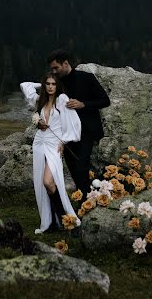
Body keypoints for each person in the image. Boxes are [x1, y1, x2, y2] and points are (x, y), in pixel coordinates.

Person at [20, 73, 81, 234]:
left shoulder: (62, 100)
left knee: (49, 182)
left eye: (54, 83)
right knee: (43, 183)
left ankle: (68, 221)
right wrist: (39, 123)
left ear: (58, 85)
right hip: (39, 143)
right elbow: (25, 84)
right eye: (47, 83)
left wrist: (63, 142)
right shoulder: (40, 102)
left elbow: (74, 122)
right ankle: (53, 222)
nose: (50, 86)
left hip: (54, 145)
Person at [47, 49, 110, 200]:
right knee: (75, 172)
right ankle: (86, 202)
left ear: (66, 63)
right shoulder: (56, 82)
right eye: (52, 68)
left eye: (56, 67)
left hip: (86, 132)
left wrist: (83, 104)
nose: (54, 71)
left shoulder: (86, 78)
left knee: (81, 169)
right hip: (65, 134)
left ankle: (87, 203)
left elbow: (105, 100)